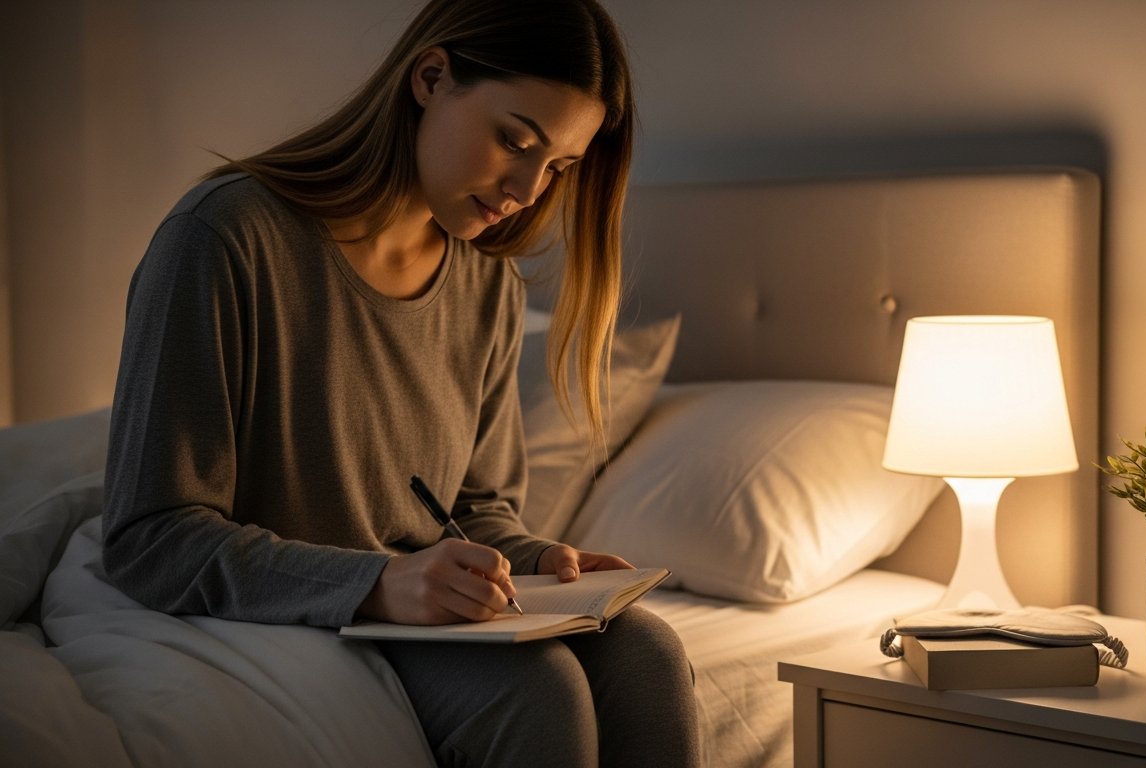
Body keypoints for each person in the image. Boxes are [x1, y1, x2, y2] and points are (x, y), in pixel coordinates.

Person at [100, 0, 700, 765]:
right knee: (539, 690)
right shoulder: (223, 240)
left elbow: (472, 508)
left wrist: (540, 561)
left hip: (416, 606)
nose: (526, 188)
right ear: (430, 77)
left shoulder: (489, 285)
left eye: (557, 168)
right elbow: (149, 537)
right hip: (301, 606)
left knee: (648, 653)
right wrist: (379, 582)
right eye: (515, 141)